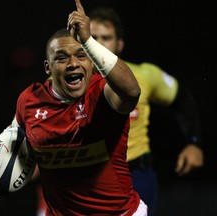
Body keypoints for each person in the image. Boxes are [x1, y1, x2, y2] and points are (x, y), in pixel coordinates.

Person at [0, 0, 148, 215]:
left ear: (91, 61)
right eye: (61, 58)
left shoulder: (102, 93)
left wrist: (87, 40)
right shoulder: (29, 100)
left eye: (81, 55)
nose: (73, 64)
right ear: (48, 67)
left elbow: (132, 91)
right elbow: (17, 149)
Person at [87, 6, 204, 216]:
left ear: (119, 44)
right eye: (92, 37)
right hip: (86, 177)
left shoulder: (144, 75)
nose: (99, 43)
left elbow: (183, 99)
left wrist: (193, 143)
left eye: (106, 37)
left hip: (135, 175)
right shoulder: (65, 82)